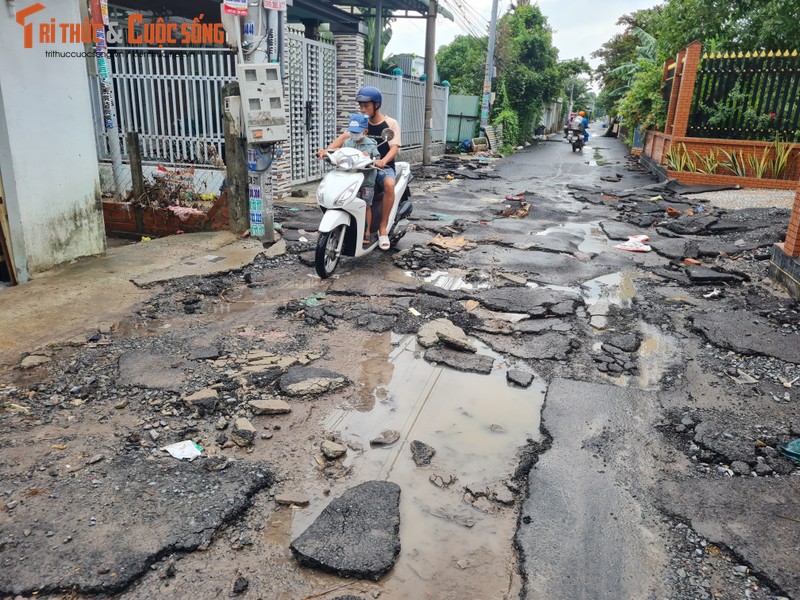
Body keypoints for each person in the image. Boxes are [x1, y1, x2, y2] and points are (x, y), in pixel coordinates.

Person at [318, 86, 401, 250]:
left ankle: (383, 228)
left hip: (380, 168)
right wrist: (326, 151)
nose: (363, 109)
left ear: (376, 105)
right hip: (358, 168)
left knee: (389, 185)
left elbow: (394, 148)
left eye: (366, 106)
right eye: (361, 106)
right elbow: (342, 138)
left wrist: (383, 161)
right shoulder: (359, 122)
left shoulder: (390, 123)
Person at [341, 113, 381, 246]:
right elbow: (341, 155)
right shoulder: (347, 142)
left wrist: (368, 156)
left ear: (365, 131)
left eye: (357, 132)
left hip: (366, 180)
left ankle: (367, 232)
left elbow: (377, 159)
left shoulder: (371, 144)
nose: (354, 134)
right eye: (352, 132)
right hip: (350, 179)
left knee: (366, 206)